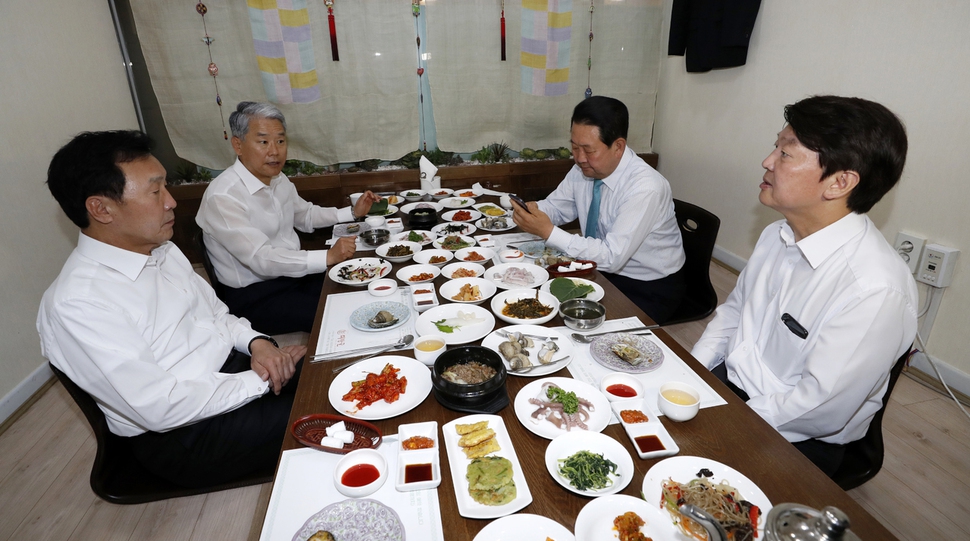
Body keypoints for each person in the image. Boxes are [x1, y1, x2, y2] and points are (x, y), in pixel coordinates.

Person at [37, 130, 306, 488]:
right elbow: (159, 406)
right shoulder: (79, 303)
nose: (171, 202)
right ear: (101, 208)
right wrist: (262, 377)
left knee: (340, 370)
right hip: (187, 433)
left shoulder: (161, 249)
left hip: (233, 375)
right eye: (155, 191)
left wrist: (259, 345)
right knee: (335, 411)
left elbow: (217, 315)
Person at [691, 95, 918, 476]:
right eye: (775, 146)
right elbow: (733, 315)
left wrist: (723, 418)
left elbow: (818, 408)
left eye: (786, 153)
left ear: (840, 182)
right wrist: (691, 375)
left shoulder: (875, 290)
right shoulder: (776, 235)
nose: (767, 161)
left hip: (796, 435)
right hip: (732, 387)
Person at [196, 101, 380, 334]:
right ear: (238, 145)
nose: (274, 151)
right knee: (342, 315)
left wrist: (352, 213)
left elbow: (305, 215)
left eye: (280, 141)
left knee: (360, 285)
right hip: (256, 297)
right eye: (263, 142)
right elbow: (261, 258)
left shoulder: (277, 177)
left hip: (293, 276)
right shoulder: (222, 196)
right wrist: (326, 257)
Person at [511, 96, 686, 323]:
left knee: (581, 329)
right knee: (535, 302)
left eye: (588, 150)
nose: (579, 158)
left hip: (646, 286)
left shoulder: (645, 187)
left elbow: (612, 256)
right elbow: (558, 207)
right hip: (600, 270)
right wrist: (533, 210)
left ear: (618, 146)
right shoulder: (584, 169)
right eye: (574, 147)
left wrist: (548, 232)